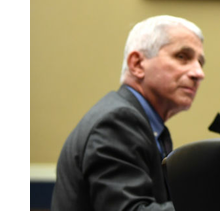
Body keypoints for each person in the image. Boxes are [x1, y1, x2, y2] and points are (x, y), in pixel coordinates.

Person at [51, 15, 206, 211]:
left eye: (200, 62)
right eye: (182, 57)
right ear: (137, 64)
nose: (198, 73)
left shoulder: (145, 125)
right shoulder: (117, 122)